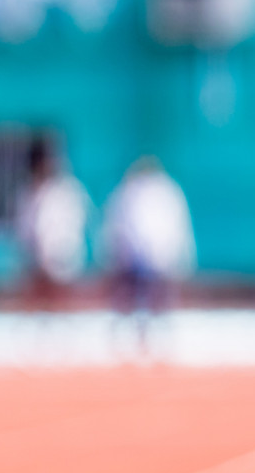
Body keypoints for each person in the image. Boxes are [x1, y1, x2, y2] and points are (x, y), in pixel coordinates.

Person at [102, 157, 195, 335]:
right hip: (137, 260)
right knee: (131, 302)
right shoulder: (131, 192)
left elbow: (177, 226)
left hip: (156, 258)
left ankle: (157, 336)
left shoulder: (163, 192)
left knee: (157, 302)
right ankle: (132, 336)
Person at [17, 142, 92, 308]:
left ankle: (63, 320)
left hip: (64, 247)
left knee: (63, 289)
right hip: (41, 250)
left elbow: (77, 219)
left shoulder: (68, 190)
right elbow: (32, 225)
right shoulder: (36, 192)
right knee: (41, 290)